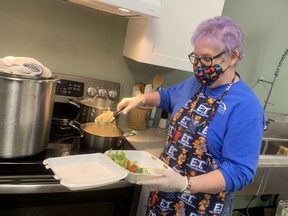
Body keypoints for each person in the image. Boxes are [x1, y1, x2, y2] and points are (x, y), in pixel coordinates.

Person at [117, 16, 264, 216]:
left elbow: (239, 172)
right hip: (163, 199)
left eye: (206, 58)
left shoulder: (246, 107)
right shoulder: (195, 84)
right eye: (196, 58)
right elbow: (169, 96)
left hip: (201, 207)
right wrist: (142, 98)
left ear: (233, 56)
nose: (199, 66)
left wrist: (184, 184)